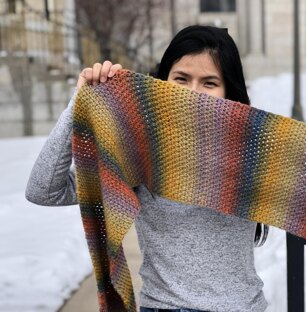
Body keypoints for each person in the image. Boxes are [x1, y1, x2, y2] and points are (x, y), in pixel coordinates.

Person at [26, 25, 268, 312]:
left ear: (228, 90)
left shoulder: (254, 150)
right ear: (162, 82)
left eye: (209, 83)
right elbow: (44, 190)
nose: (192, 93)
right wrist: (78, 105)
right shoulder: (138, 153)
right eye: (181, 78)